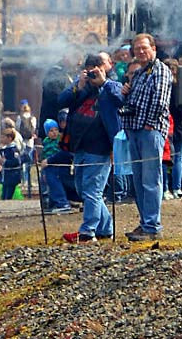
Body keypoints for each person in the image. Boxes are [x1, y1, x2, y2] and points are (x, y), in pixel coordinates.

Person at [117, 33, 172, 241]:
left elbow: (160, 101)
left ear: (153, 48)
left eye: (143, 48)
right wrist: (125, 92)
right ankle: (144, 222)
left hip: (149, 131)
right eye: (137, 48)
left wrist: (149, 123)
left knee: (151, 180)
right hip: (134, 130)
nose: (140, 52)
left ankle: (152, 225)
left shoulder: (160, 70)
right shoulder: (138, 73)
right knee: (138, 180)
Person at [62, 51, 121, 242]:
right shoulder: (82, 88)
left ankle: (88, 231)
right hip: (79, 145)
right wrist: (79, 86)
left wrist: (103, 82)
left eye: (95, 71)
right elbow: (60, 100)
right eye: (89, 72)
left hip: (100, 147)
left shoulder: (112, 85)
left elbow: (121, 98)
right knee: (82, 189)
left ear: (104, 69)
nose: (91, 75)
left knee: (92, 190)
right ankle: (105, 228)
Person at [0, 127, 27, 200]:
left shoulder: (13, 149)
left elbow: (16, 161)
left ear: (10, 138)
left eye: (3, 137)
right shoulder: (4, 149)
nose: (1, 139)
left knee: (8, 195)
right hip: (6, 174)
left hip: (12, 175)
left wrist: (5, 162)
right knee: (3, 195)